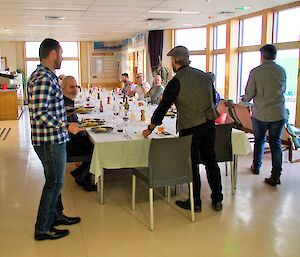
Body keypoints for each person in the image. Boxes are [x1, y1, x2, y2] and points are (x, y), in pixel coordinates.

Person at [143, 46, 223, 212]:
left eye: (171, 60)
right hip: (209, 124)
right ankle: (217, 199)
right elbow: (214, 100)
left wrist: (151, 127)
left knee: (191, 164)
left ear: (175, 61)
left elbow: (163, 106)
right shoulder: (205, 77)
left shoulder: (176, 81)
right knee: (211, 161)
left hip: (190, 127)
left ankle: (196, 203)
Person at [27, 38, 81, 241]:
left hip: (53, 138)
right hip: (49, 141)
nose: (62, 58)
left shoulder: (48, 76)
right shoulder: (43, 78)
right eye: (61, 54)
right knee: (54, 183)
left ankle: (56, 216)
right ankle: (43, 228)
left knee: (56, 182)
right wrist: (66, 125)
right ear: (52, 54)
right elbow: (40, 113)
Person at [242, 44, 287, 187]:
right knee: (276, 143)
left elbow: (250, 93)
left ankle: (256, 167)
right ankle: (276, 175)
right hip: (278, 113)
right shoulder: (281, 71)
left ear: (262, 56)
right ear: (275, 55)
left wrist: (244, 99)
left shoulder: (256, 72)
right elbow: (283, 90)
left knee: (259, 140)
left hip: (260, 113)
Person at [61, 76, 96, 192]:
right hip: (68, 142)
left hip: (71, 137)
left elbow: (73, 119)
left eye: (76, 86)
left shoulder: (68, 100)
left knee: (94, 137)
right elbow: (68, 124)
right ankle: (84, 176)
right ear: (63, 88)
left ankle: (79, 173)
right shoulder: (63, 103)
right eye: (71, 87)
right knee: (96, 145)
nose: (75, 89)